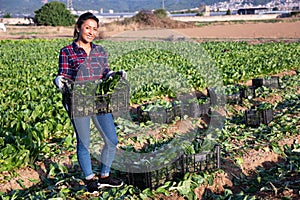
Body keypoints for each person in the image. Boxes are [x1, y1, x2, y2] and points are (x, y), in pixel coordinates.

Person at [53, 12, 126, 193]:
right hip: (79, 101)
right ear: (78, 28)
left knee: (112, 140)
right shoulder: (67, 51)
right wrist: (59, 81)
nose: (91, 32)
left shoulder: (100, 51)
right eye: (88, 27)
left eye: (94, 29)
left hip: (100, 101)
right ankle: (89, 179)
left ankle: (104, 176)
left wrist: (115, 75)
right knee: (84, 142)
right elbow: (64, 74)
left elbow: (105, 73)